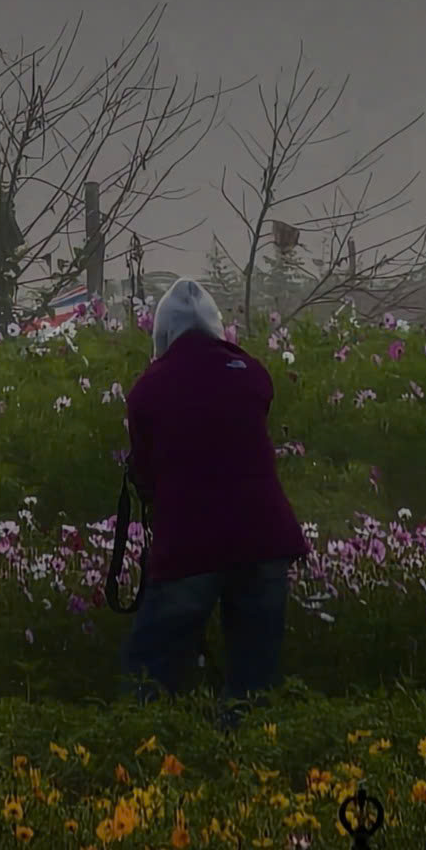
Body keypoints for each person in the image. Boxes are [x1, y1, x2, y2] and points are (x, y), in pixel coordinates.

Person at [120, 278, 306, 715]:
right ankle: (249, 761)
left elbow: (145, 475)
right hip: (266, 539)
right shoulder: (253, 374)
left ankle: (142, 751)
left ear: (162, 332)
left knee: (149, 665)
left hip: (192, 545)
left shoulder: (149, 388)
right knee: (253, 676)